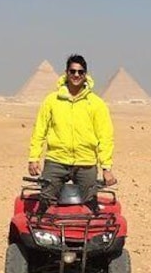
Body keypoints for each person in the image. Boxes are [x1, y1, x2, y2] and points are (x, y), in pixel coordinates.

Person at [27, 54, 116, 212]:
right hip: (56, 160)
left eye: (80, 72)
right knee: (45, 203)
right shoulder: (52, 100)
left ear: (85, 75)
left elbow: (105, 137)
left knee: (90, 207)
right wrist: (34, 158)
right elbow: (39, 130)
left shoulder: (96, 104)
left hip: (86, 162)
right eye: (72, 71)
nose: (76, 75)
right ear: (66, 73)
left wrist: (106, 168)